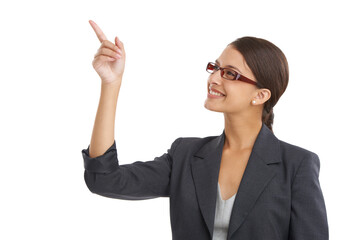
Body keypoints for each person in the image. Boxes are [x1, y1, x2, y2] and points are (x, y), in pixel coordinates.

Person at [82, 20, 329, 240]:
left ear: (260, 95)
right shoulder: (186, 155)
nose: (214, 78)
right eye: (215, 67)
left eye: (230, 74)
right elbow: (104, 180)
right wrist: (111, 84)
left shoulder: (297, 165)